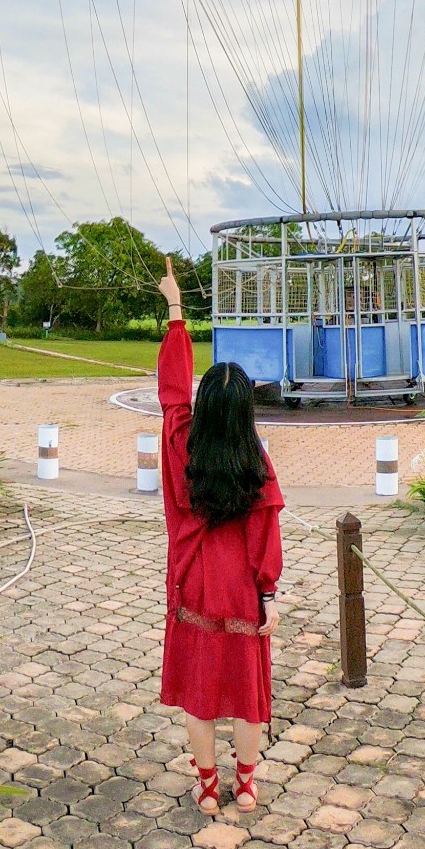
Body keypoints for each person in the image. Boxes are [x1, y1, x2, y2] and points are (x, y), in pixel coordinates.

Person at [156, 256, 284, 816]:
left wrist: (176, 310)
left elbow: (171, 393)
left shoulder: (181, 442)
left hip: (193, 585)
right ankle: (249, 783)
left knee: (202, 690)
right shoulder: (256, 460)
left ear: (205, 407)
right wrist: (269, 592)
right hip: (241, 591)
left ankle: (208, 788)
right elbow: (265, 529)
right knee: (248, 690)